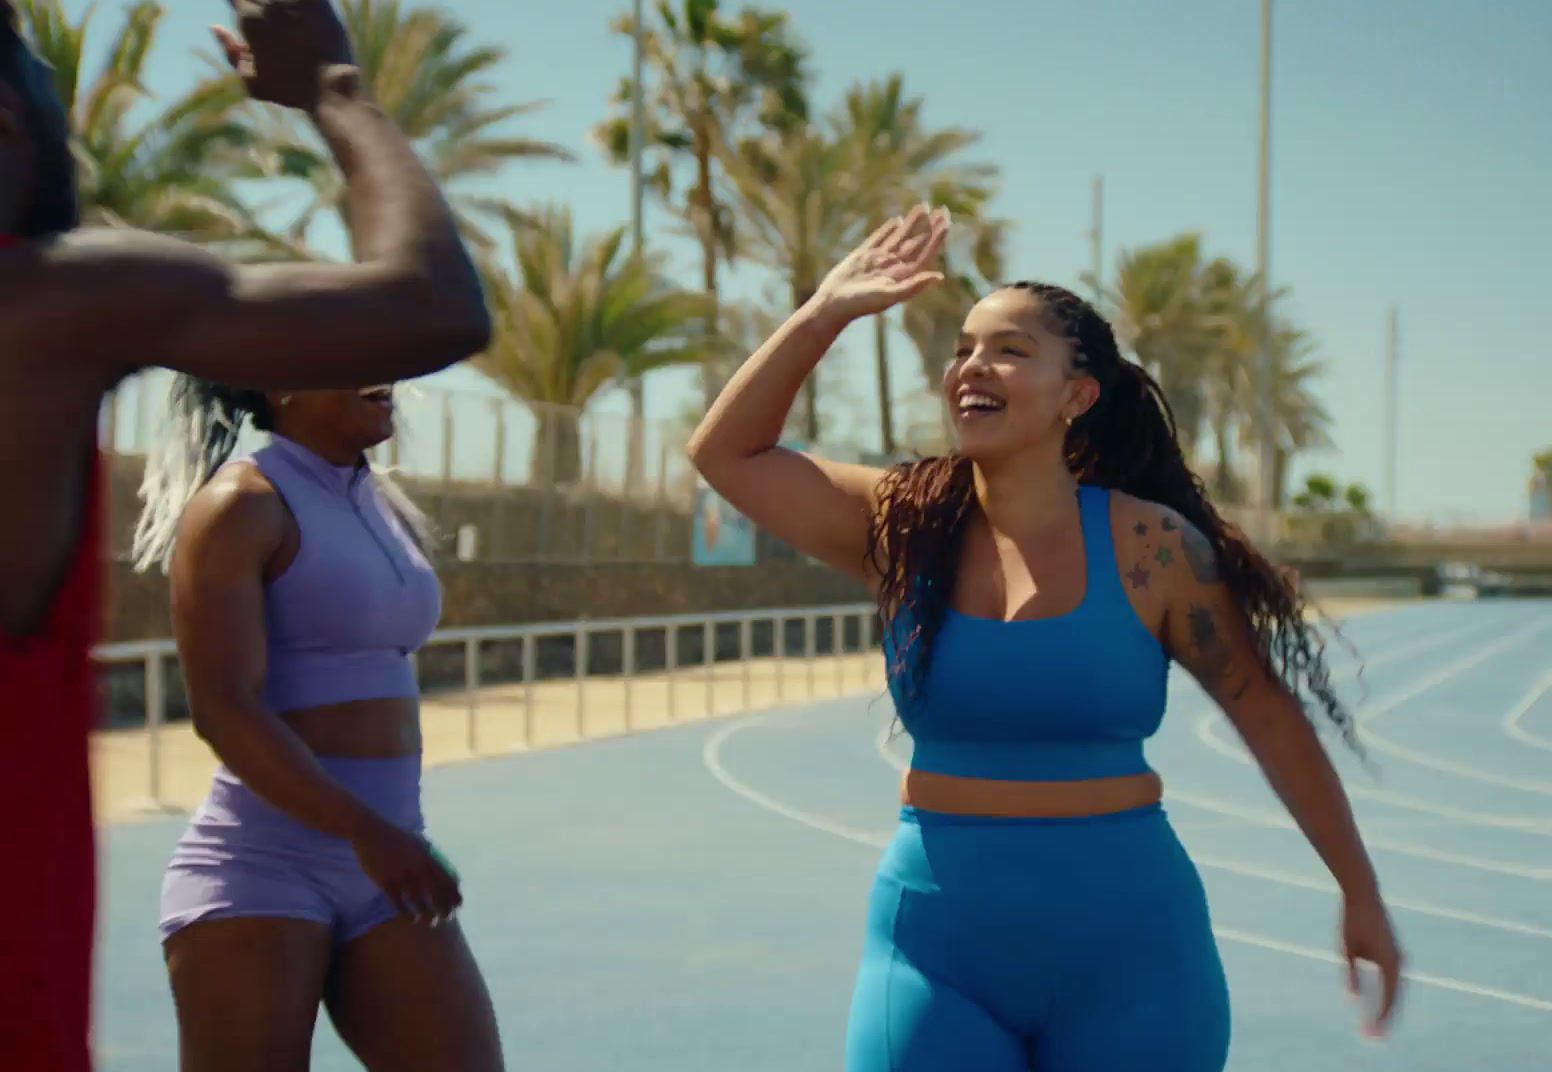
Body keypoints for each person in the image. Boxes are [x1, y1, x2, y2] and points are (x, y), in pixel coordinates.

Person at [688, 204, 1404, 1071]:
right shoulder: (903, 525)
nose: (971, 367)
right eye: (961, 348)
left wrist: (1358, 890)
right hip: (936, 953)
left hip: (1132, 957)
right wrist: (826, 310)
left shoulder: (1155, 551)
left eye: (1008, 349)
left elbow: (1269, 718)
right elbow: (725, 453)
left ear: (1077, 394)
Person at [0, 2, 491, 1068]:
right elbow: (433, 302)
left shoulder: (371, 494)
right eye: (37, 71)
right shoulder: (54, 317)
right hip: (269, 857)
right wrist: (332, 88)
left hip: (379, 852)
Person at [133, 379, 501, 1072]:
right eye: (353, 351)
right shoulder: (242, 504)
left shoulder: (378, 501)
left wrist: (382, 841)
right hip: (261, 868)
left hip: (387, 865)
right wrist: (365, 831)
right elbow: (223, 708)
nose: (385, 370)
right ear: (284, 382)